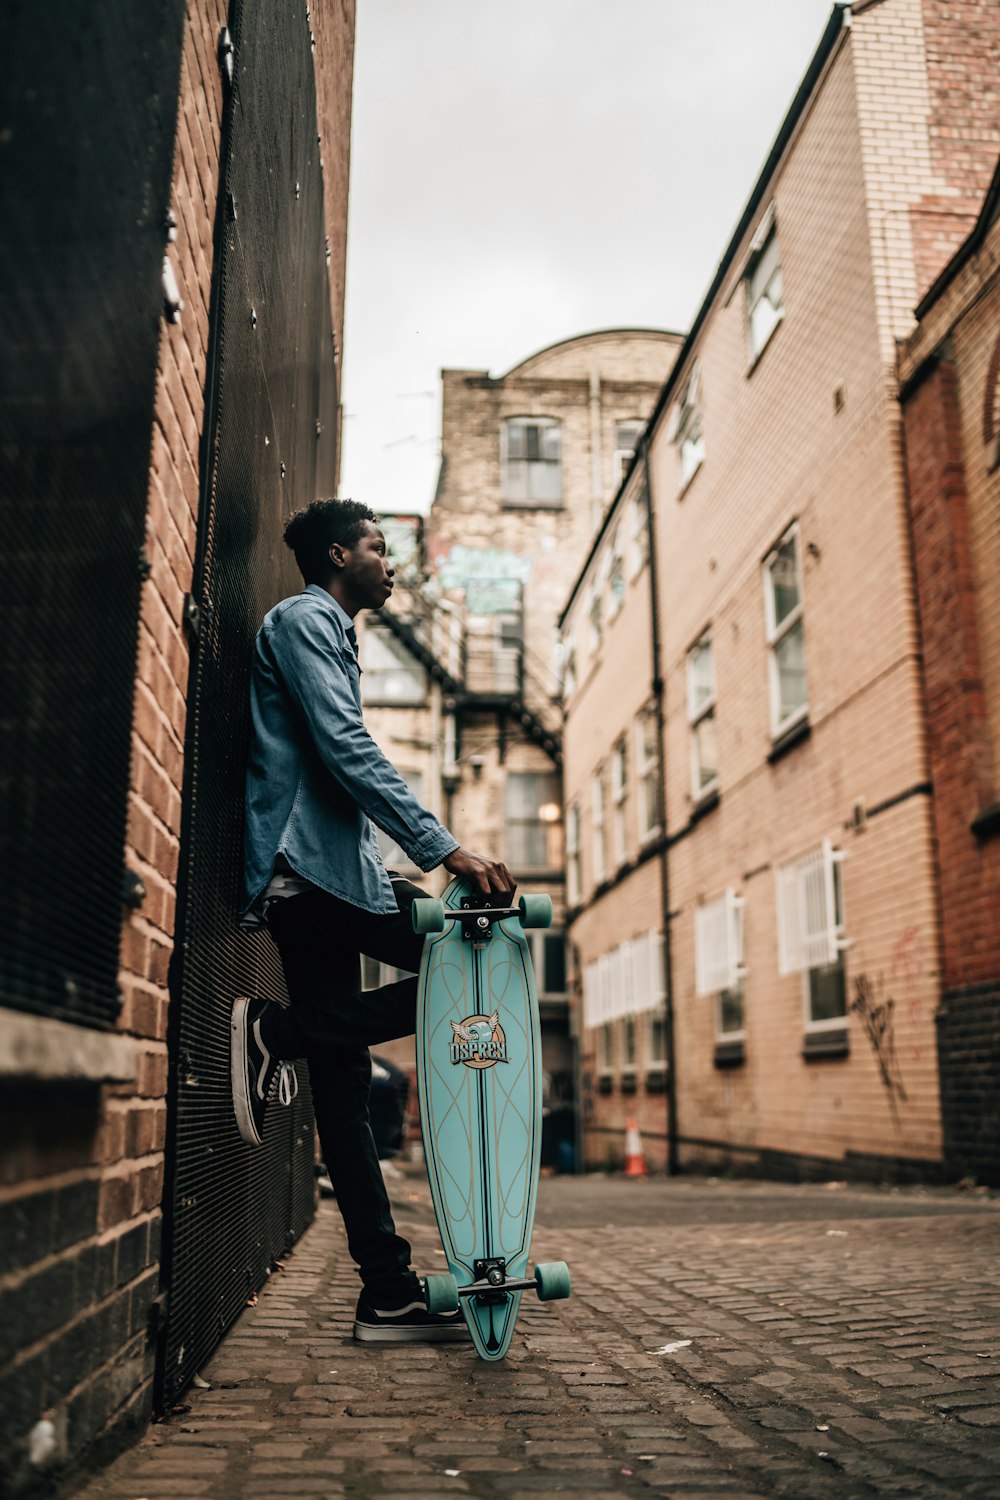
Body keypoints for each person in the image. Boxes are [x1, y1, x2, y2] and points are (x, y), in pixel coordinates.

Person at [231, 498, 514, 1344]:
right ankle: (279, 1032)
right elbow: (343, 746)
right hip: (312, 875)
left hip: (324, 873)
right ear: (336, 554)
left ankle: (386, 1291)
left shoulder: (329, 629)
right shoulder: (306, 619)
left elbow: (333, 770)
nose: (390, 564)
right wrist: (444, 849)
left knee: (345, 1089)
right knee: (471, 961)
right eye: (379, 548)